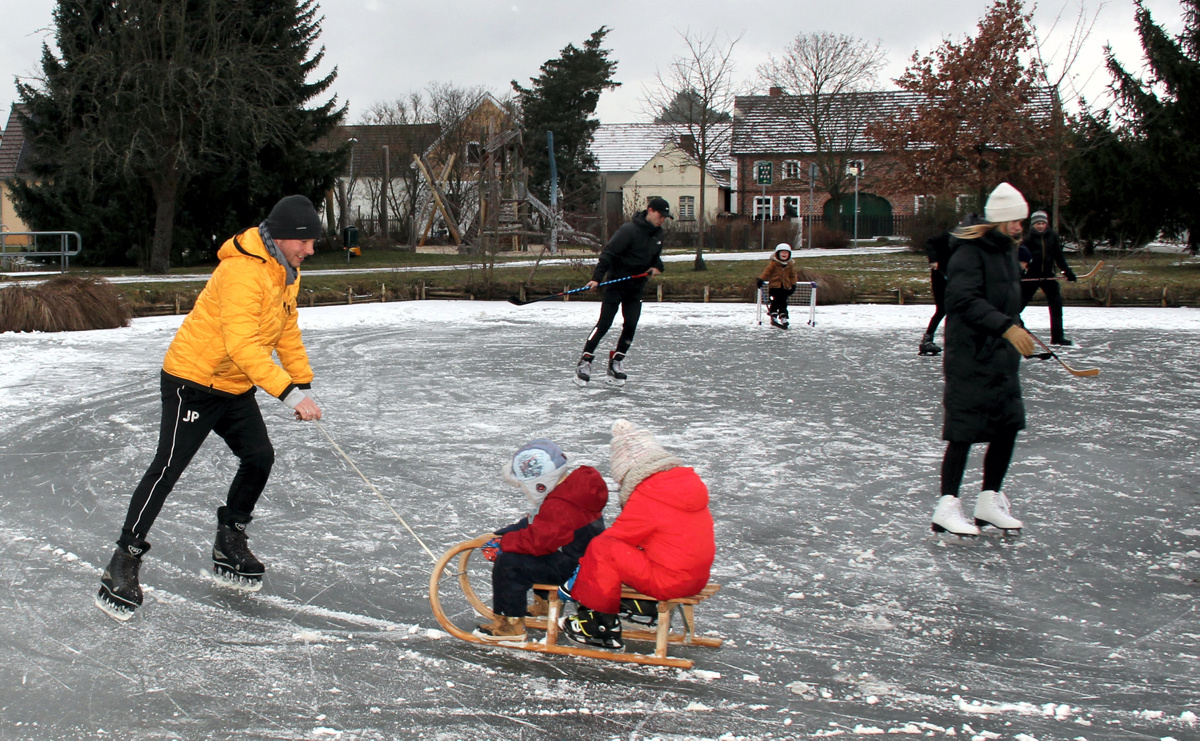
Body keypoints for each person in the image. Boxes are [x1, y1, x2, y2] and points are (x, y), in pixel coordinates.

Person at [95, 195, 325, 621]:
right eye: (305, 242)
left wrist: (302, 381)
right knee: (167, 469)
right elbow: (241, 345)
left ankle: (229, 537)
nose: (310, 250)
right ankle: (124, 560)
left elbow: (286, 330)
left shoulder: (285, 271)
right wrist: (289, 394)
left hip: (235, 384)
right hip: (194, 382)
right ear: (284, 236)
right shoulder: (242, 271)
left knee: (259, 457)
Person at [931, 182, 1035, 538]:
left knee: (1007, 425)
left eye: (1022, 220)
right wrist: (1006, 328)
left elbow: (1004, 302)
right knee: (963, 430)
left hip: (1001, 355)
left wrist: (1019, 330)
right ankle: (947, 506)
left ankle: (989, 500)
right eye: (1015, 221)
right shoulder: (969, 251)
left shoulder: (1006, 250)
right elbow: (962, 300)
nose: (1020, 226)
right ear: (999, 220)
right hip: (971, 354)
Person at [560, 419, 715, 649]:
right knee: (628, 549)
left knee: (602, 548)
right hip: (695, 577)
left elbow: (613, 541)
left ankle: (601, 626)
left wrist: (580, 574)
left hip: (670, 581)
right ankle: (642, 607)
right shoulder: (682, 486)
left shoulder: (650, 494)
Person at [473, 440, 609, 642]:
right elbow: (535, 523)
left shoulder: (560, 505)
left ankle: (509, 627)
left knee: (511, 564)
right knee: (537, 555)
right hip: (583, 559)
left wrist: (505, 544)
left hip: (577, 570)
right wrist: (503, 533)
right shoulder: (570, 491)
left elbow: (537, 540)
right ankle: (543, 607)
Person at [574, 197, 669, 386]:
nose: (663, 219)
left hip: (636, 287)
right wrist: (597, 278)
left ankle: (616, 361)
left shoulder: (659, 235)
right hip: (616, 285)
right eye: (661, 215)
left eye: (666, 217)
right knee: (604, 324)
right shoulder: (629, 230)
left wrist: (657, 267)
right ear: (650, 210)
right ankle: (585, 361)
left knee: (631, 325)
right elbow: (608, 253)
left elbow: (655, 258)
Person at [1019, 210, 1077, 346]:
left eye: (1043, 223)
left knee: (1056, 305)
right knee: (1018, 305)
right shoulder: (1027, 239)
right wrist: (1020, 274)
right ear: (1033, 225)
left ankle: (1057, 337)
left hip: (1048, 276)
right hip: (1032, 276)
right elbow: (1022, 258)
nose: (1040, 226)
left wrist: (1067, 272)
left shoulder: (1053, 237)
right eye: (1038, 224)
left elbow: (1059, 257)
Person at [919, 229, 954, 355]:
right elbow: (930, 242)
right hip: (941, 277)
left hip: (957, 278)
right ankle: (927, 340)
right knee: (942, 309)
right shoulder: (951, 235)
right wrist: (933, 259)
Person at [757, 243, 799, 329]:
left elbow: (793, 276)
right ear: (777, 254)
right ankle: (774, 316)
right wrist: (761, 279)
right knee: (775, 302)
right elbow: (767, 272)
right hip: (774, 287)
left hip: (785, 287)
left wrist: (793, 285)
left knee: (783, 302)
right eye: (782, 253)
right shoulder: (774, 264)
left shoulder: (790, 265)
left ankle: (783, 317)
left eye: (786, 253)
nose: (784, 254)